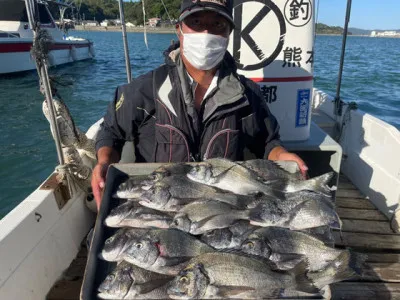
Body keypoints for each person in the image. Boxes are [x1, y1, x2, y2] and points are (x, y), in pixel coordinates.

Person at [92, 0, 308, 209]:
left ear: (228, 34)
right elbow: (112, 133)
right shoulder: (144, 90)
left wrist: (282, 157)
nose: (206, 34)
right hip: (158, 207)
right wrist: (103, 162)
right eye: (196, 23)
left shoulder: (248, 95)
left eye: (217, 25)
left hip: (223, 210)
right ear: (179, 30)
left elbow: (268, 142)